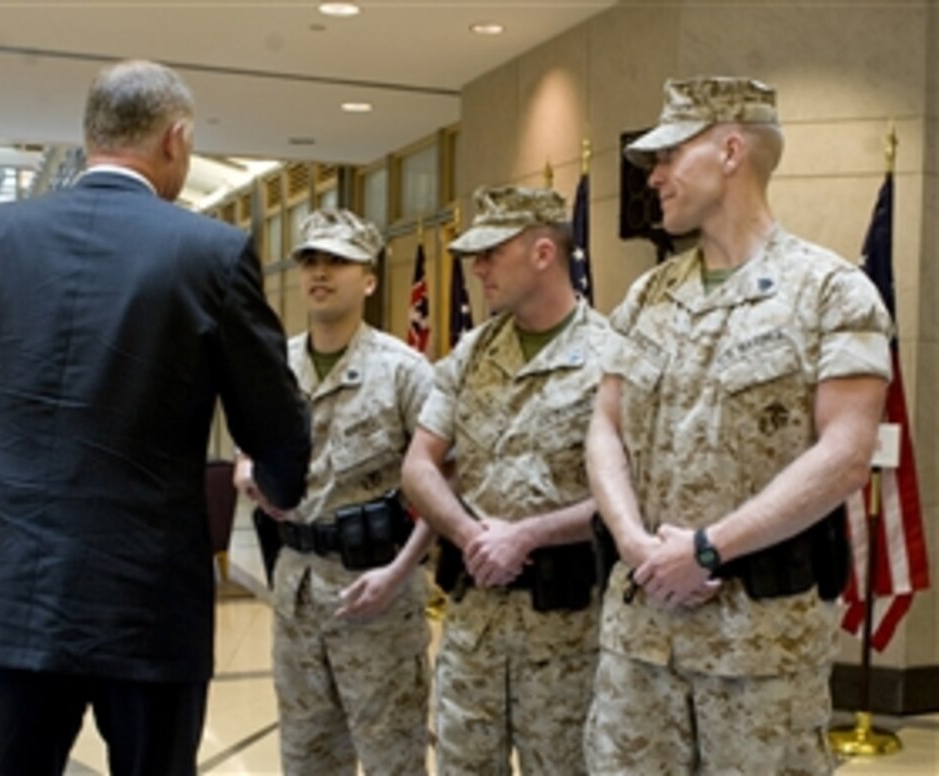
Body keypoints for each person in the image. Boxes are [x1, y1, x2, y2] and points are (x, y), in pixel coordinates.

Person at [0, 59, 311, 776]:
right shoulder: (210, 253)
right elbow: (272, 419)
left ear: (90, 138)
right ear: (175, 140)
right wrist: (280, 481)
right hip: (149, 606)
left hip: (10, 598)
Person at [583, 75, 892, 774]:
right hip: (639, 641)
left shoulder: (832, 293)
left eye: (668, 156)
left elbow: (845, 456)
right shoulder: (647, 297)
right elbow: (605, 426)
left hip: (760, 652)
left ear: (729, 150)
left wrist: (709, 548)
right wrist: (633, 541)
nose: (654, 176)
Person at [401, 185, 607, 775]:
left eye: (492, 252)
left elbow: (633, 496)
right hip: (474, 628)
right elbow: (419, 464)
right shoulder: (472, 352)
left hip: (569, 635)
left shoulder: (610, 355)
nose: (478, 268)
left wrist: (529, 535)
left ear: (544, 253)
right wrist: (470, 535)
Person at [234, 209, 435, 776]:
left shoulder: (404, 372)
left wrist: (401, 570)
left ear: (369, 278)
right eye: (311, 262)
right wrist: (246, 468)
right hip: (297, 587)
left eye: (337, 262)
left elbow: (449, 487)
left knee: (392, 759)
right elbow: (249, 445)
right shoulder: (275, 365)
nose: (320, 274)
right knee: (306, 759)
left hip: (377, 595)